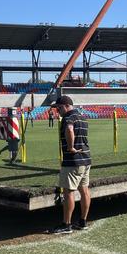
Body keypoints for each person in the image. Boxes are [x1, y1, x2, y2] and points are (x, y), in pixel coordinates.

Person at [50, 95, 91, 234]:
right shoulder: (82, 117)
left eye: (59, 108)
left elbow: (69, 129)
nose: (58, 111)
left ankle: (66, 224)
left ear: (66, 106)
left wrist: (70, 147)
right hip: (86, 159)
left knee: (68, 192)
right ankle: (83, 221)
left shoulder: (68, 118)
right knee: (84, 191)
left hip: (73, 161)